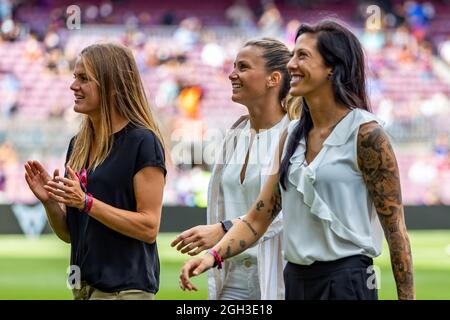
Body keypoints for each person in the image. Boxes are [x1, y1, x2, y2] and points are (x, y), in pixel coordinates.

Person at [179, 20, 415, 300]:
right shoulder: (291, 135)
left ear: (331, 67)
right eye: (293, 55)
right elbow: (257, 219)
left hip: (347, 283)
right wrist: (213, 256)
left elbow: (396, 229)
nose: (291, 64)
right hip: (296, 282)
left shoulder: (366, 134)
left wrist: (406, 297)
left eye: (302, 56)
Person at [24, 43, 167, 300]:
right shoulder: (77, 144)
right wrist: (49, 202)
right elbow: (70, 234)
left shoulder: (142, 142)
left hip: (125, 292)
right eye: (74, 77)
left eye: (83, 79)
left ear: (111, 86)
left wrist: (87, 203)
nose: (73, 86)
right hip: (83, 290)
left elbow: (149, 227)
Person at [172, 38, 297, 300]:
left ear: (273, 79)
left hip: (277, 277)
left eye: (243, 67)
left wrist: (224, 229)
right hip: (230, 276)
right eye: (233, 66)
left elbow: (291, 210)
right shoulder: (235, 134)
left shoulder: (296, 136)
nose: (232, 74)